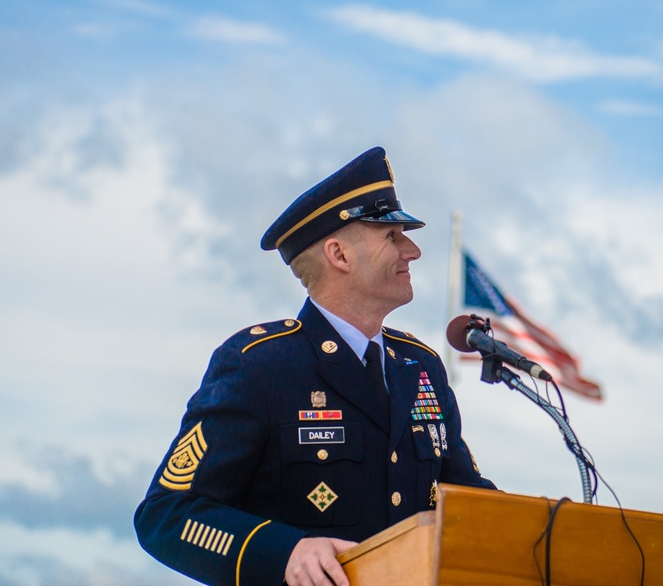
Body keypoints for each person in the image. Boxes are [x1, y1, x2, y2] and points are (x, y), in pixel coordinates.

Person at [134, 147, 495, 586]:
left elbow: (467, 503)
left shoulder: (421, 367)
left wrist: (547, 528)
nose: (413, 250)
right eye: (392, 236)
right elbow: (167, 515)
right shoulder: (260, 366)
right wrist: (287, 553)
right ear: (339, 255)